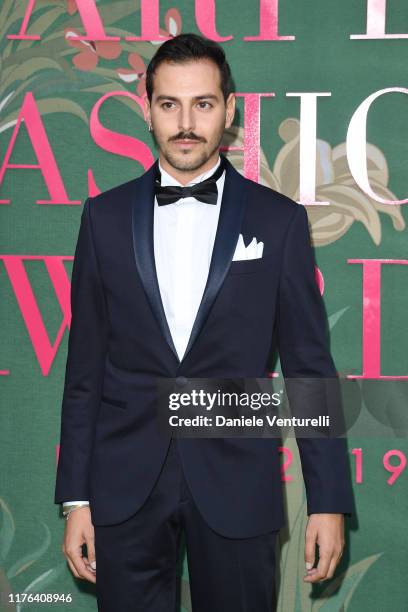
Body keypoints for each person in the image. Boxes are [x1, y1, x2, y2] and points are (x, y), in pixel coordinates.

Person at [54, 32, 355, 611]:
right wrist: (76, 499)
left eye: (203, 104)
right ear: (147, 109)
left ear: (230, 109)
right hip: (124, 489)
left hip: (238, 483)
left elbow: (309, 368)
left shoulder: (281, 222)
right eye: (169, 104)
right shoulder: (103, 218)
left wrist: (328, 501)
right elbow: (84, 372)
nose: (186, 122)